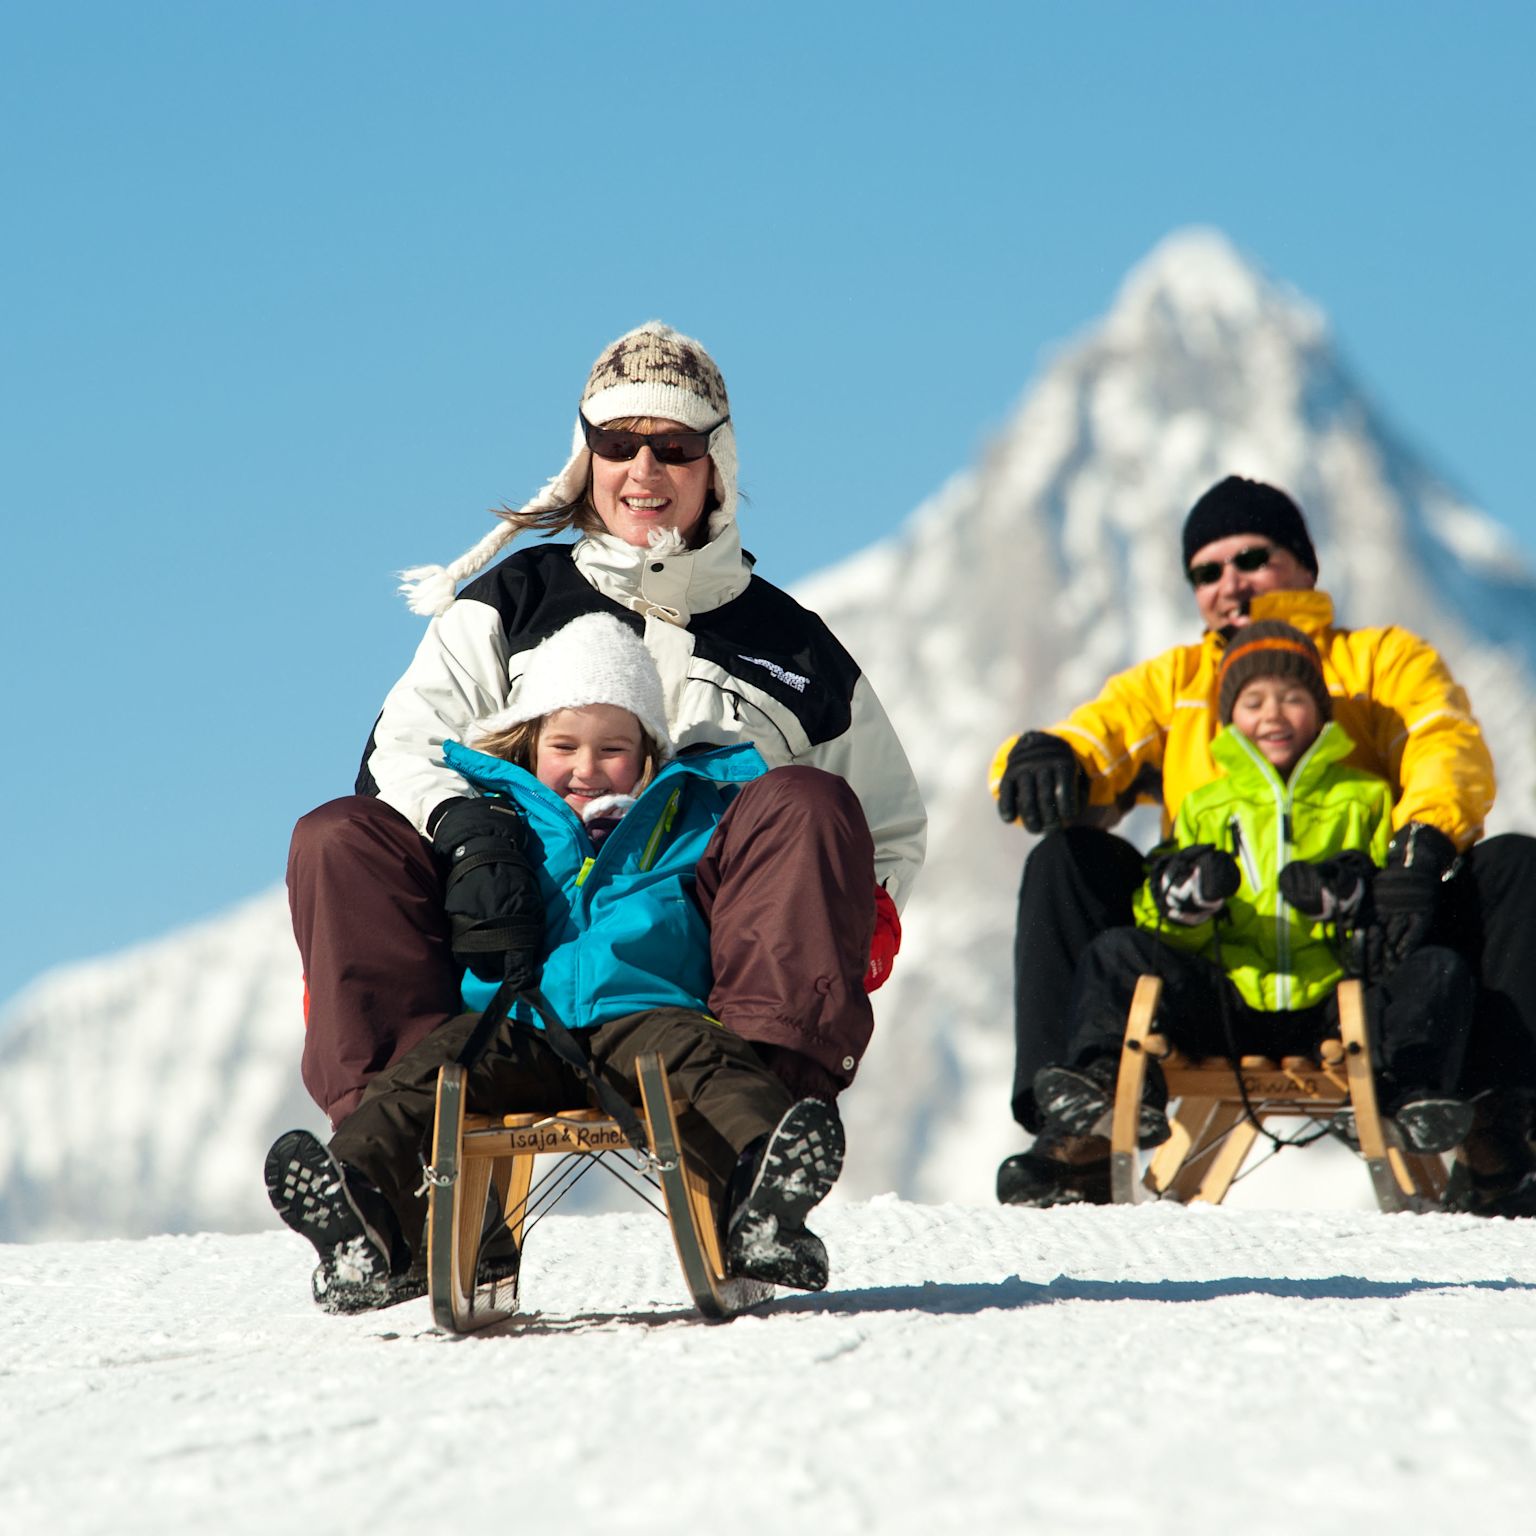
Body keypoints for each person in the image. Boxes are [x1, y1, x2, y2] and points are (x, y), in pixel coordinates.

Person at [288, 322, 925, 1140]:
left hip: (707, 987)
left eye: (675, 445)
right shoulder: (511, 605)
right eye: (619, 442)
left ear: (717, 463)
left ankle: (763, 1148)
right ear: (585, 456)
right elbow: (398, 754)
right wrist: (464, 830)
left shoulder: (795, 651)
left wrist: (830, 931)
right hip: (498, 964)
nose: (644, 470)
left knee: (805, 797)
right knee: (339, 835)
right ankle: (388, 1173)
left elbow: (885, 826)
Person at [268, 614, 847, 1311]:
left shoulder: (687, 818)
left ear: (647, 753)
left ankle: (763, 1192)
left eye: (612, 748)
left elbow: (746, 893)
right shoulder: (497, 819)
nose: (585, 767)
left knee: (712, 1063)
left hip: (649, 1020)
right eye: (564, 744)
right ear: (531, 743)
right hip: (513, 1025)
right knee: (424, 1078)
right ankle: (362, 1208)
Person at [992, 475, 1536, 1214]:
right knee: (1066, 859)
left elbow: (1445, 742)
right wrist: (1040, 755)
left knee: (1513, 866)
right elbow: (1099, 736)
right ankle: (1078, 1130)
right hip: (1215, 966)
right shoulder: (1182, 683)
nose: (1229, 583)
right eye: (1206, 572)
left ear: (1305, 565)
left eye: (1251, 558)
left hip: (1367, 957)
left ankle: (1499, 1130)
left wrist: (1421, 848)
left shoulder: (1378, 665)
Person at [1030, 621, 1473, 1159]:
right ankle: (1108, 1079)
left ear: (1321, 712)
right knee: (1117, 953)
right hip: (1226, 1002)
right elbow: (1155, 915)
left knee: (1439, 967)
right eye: (1253, 701)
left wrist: (1350, 898)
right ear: (1229, 718)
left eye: (1292, 699)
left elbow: (1390, 902)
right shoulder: (1206, 805)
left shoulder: (1366, 798)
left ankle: (1406, 1091)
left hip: (1333, 1002)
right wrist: (1181, 900)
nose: (1273, 714)